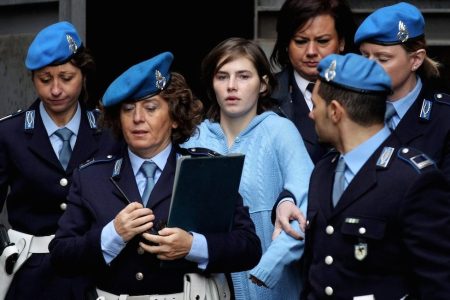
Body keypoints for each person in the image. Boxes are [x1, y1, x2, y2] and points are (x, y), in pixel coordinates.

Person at [48, 51, 262, 299]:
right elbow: (60, 256)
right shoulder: (90, 177)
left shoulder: (207, 169)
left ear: (174, 117)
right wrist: (112, 235)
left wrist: (193, 246)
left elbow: (249, 247)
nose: (138, 119)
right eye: (128, 109)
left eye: (150, 108)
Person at [302, 52, 450, 299]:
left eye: (316, 106)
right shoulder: (323, 170)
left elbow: (438, 286)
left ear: (336, 112)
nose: (311, 114)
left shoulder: (412, 180)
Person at [182, 37, 314, 299]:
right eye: (222, 77)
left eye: (243, 76)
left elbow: (305, 199)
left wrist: (269, 266)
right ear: (212, 83)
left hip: (275, 289)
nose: (232, 86)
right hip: (208, 289)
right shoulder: (194, 139)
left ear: (263, 83)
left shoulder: (279, 130)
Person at [0, 21, 120, 299]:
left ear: (84, 75)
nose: (55, 89)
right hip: (31, 276)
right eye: (45, 79)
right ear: (33, 79)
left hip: (96, 274)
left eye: (66, 78)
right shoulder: (9, 134)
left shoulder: (110, 132)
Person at [354, 1, 450, 178]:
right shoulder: (350, 108)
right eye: (365, 55)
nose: (369, 67)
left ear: (416, 60)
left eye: (383, 59)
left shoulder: (443, 117)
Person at [270, 0, 357, 164]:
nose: (311, 52)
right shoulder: (265, 96)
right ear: (286, 44)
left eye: (322, 41)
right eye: (301, 41)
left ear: (342, 42)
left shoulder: (367, 92)